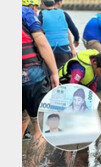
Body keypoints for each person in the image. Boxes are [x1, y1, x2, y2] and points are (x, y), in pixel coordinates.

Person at [22, 5, 59, 166]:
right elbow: (42, 43)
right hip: (31, 75)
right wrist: (54, 73)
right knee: (40, 127)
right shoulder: (25, 13)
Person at [38, 0, 76, 69]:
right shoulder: (64, 14)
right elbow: (73, 31)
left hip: (49, 51)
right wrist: (73, 48)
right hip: (64, 51)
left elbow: (37, 35)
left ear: (43, 4)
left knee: (50, 75)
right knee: (64, 74)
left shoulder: (41, 16)